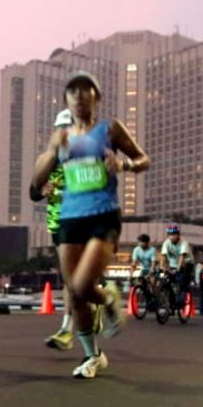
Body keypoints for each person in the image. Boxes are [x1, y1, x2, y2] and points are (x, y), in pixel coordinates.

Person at [31, 70, 150, 379]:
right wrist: (53, 150)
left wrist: (122, 164)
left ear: (96, 97)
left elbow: (143, 159)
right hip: (70, 219)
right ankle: (92, 355)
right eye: (74, 92)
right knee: (75, 290)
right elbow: (37, 181)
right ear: (67, 101)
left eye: (86, 91)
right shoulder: (62, 137)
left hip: (103, 215)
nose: (80, 96)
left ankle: (109, 297)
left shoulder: (110, 129)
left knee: (84, 285)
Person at [31, 108, 77, 351]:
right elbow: (32, 192)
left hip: (85, 219)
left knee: (75, 276)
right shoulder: (46, 159)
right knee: (71, 278)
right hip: (58, 222)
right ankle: (70, 325)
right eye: (62, 129)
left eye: (71, 128)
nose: (66, 133)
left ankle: (69, 326)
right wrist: (42, 190)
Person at [159, 225, 193, 310]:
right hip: (173, 264)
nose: (172, 236)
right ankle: (170, 301)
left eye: (174, 234)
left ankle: (182, 301)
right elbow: (163, 256)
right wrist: (162, 268)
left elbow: (182, 257)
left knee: (183, 283)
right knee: (166, 281)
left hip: (186, 263)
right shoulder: (166, 243)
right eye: (170, 234)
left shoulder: (184, 243)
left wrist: (178, 269)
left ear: (178, 235)